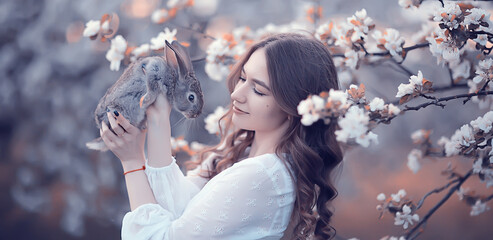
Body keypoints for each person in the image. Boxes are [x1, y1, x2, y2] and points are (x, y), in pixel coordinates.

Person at [99, 32, 343, 240]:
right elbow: (176, 208)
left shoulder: (262, 175)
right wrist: (158, 119)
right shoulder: (241, 150)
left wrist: (132, 163)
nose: (237, 94)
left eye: (258, 90)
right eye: (243, 78)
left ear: (294, 107)